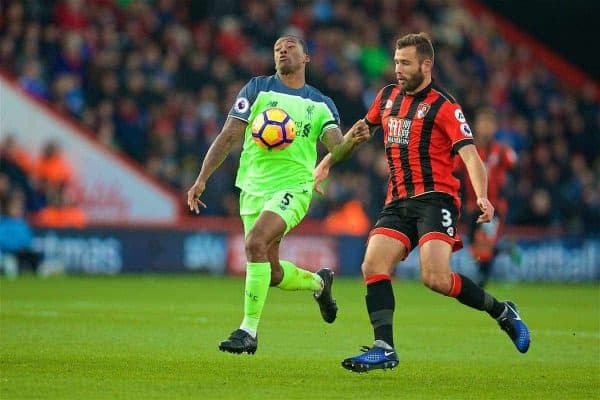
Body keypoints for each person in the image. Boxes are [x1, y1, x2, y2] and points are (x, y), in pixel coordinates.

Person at [314, 33, 530, 372]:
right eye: (396, 62)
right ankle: (384, 347)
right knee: (372, 266)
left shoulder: (445, 106)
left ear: (426, 64)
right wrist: (325, 164)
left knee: (436, 278)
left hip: (436, 199)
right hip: (397, 199)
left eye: (405, 63)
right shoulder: (386, 97)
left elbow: (472, 156)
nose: (397, 69)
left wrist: (484, 196)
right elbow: (360, 132)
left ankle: (502, 311)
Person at [187, 35, 369, 355]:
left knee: (255, 242)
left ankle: (248, 331)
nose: (283, 51)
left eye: (290, 47)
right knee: (270, 272)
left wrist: (353, 140)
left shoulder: (319, 103)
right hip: (252, 188)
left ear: (306, 58)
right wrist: (201, 178)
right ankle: (320, 284)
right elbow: (229, 134)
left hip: (294, 187)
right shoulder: (257, 89)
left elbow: (336, 146)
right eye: (277, 49)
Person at [454, 108, 517, 287]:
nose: (486, 128)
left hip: (494, 206)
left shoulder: (501, 151)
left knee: (484, 244)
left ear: (495, 127)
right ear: (476, 127)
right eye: (483, 124)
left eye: (489, 124)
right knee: (475, 246)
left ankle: (481, 283)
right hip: (472, 206)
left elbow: (514, 165)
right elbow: (454, 168)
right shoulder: (468, 150)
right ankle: (504, 248)